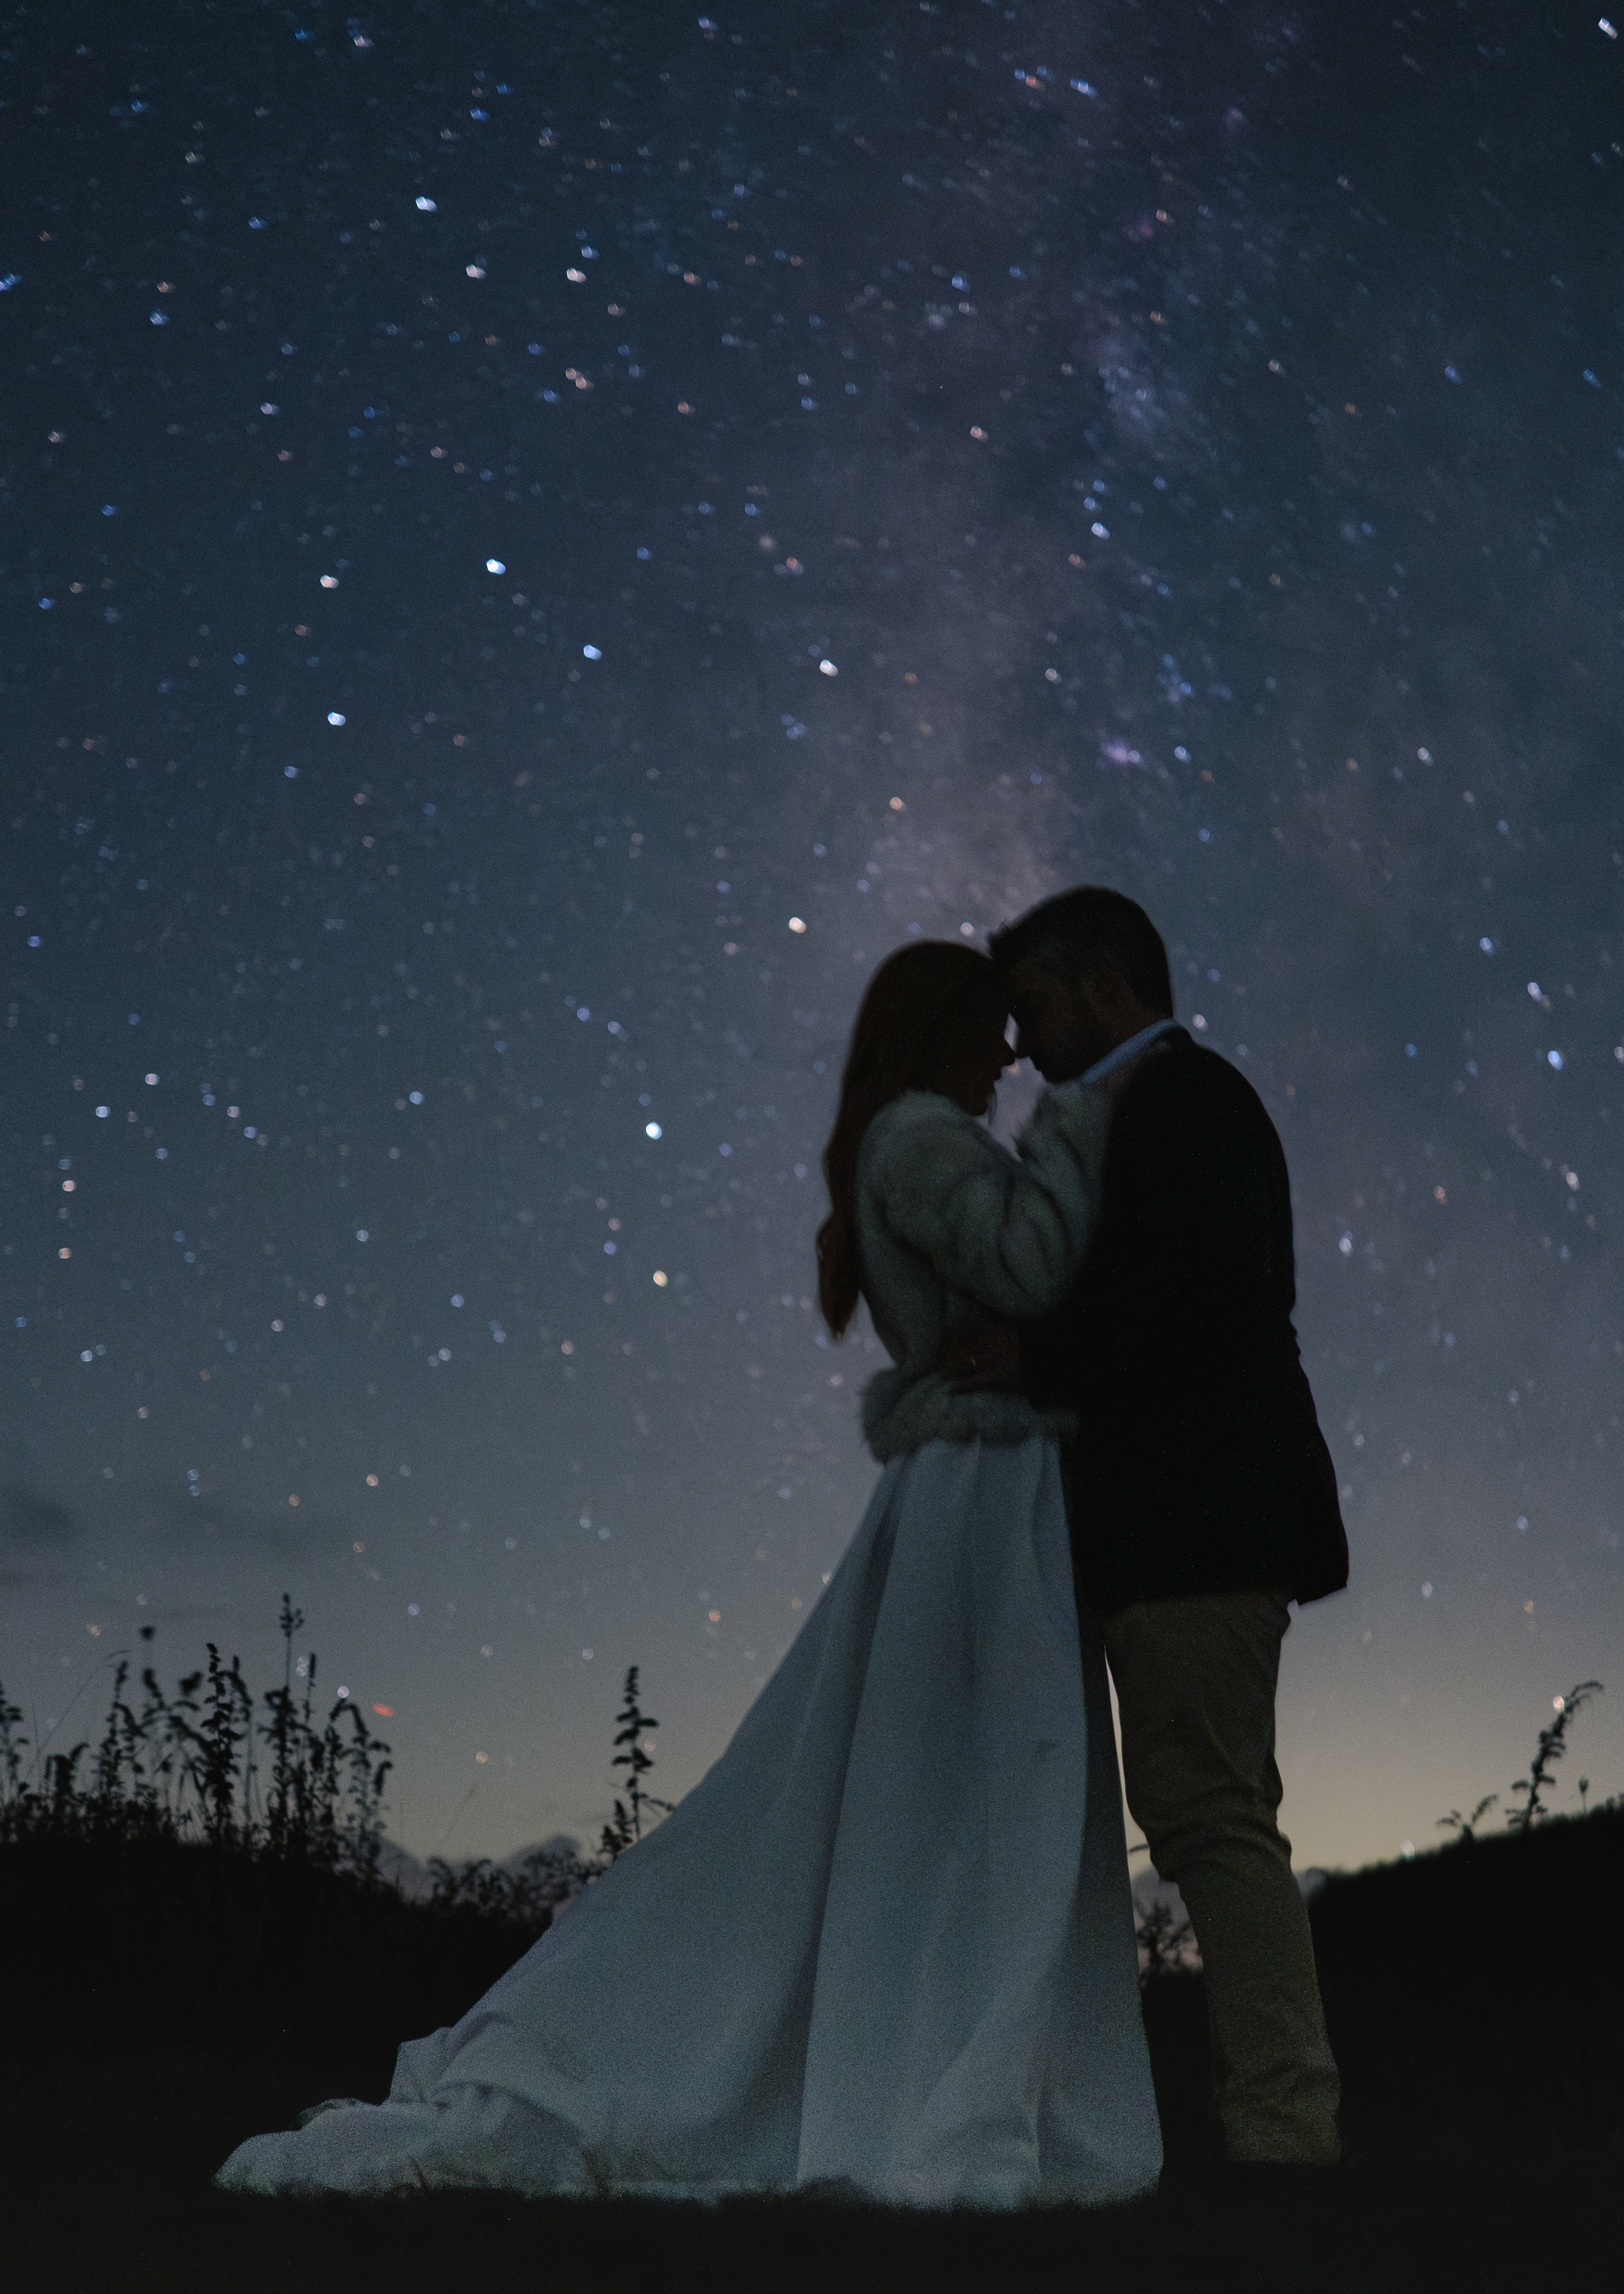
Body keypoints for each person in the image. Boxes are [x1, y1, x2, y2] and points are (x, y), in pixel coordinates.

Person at [215, 941, 1161, 2207]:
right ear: (938, 1032)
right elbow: (1033, 1269)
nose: (1008, 1056)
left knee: (974, 1784)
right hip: (973, 1488)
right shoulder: (923, 1138)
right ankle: (907, 2070)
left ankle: (951, 2051)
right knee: (962, 1775)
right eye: (989, 1030)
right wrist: (1077, 1128)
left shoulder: (917, 1135)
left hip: (988, 1479)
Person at [948, 886, 1350, 2167]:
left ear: (1107, 986)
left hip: (1204, 1523)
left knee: (1213, 1815)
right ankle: (1245, 2125)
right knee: (1202, 1813)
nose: (1016, 1044)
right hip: (1162, 1525)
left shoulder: (1191, 1104)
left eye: (1034, 1008)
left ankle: (1285, 2132)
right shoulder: (1133, 1115)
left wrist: (1032, 1349)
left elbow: (1207, 1300)